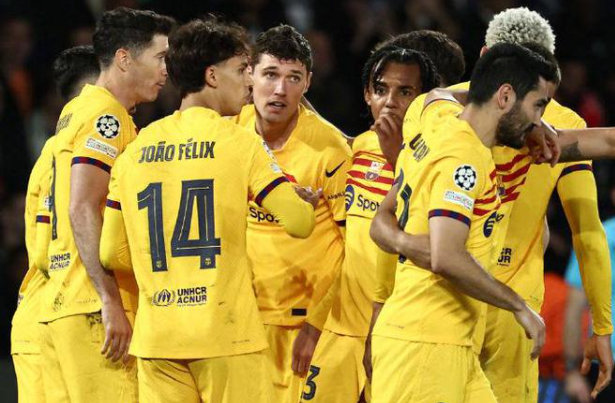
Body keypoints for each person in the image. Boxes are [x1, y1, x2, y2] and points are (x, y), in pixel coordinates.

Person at [99, 17, 316, 403]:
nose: (249, 82)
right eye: (241, 70)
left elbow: (111, 252)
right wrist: (296, 201)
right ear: (212, 76)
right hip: (226, 335)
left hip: (159, 339)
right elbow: (299, 223)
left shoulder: (135, 149)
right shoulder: (239, 142)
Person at [369, 43, 558, 403]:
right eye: (537, 106)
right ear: (505, 96)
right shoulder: (464, 158)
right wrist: (519, 305)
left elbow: (381, 219)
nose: (538, 122)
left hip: (452, 343)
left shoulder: (436, 123)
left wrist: (406, 243)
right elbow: (447, 256)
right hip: (425, 345)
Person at [39, 8, 174, 402]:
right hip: (93, 307)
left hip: (66, 300)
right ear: (124, 59)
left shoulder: (76, 111)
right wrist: (110, 300)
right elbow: (82, 207)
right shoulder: (106, 118)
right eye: (160, 57)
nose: (166, 70)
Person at [299, 46, 439, 403]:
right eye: (380, 89)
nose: (390, 102)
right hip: (342, 327)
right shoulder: (360, 147)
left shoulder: (437, 159)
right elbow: (331, 134)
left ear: (424, 100)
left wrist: (397, 157)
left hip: (397, 332)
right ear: (366, 94)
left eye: (405, 92)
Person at [233, 25, 352, 403]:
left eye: (293, 78)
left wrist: (318, 325)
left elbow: (357, 251)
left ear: (308, 83)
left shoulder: (330, 150)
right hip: (243, 322)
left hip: (307, 328)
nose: (280, 90)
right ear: (249, 75)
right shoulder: (229, 132)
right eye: (270, 75)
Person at [11, 45, 100, 403]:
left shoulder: (47, 155)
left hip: (35, 315)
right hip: (76, 310)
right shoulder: (95, 148)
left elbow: (39, 250)